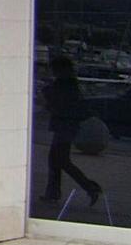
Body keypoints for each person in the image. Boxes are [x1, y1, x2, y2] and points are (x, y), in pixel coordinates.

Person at [39, 56, 101, 205]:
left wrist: (46, 93)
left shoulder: (63, 85)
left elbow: (57, 104)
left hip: (64, 125)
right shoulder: (69, 84)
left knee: (60, 160)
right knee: (58, 160)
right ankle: (55, 192)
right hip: (67, 125)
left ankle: (87, 187)